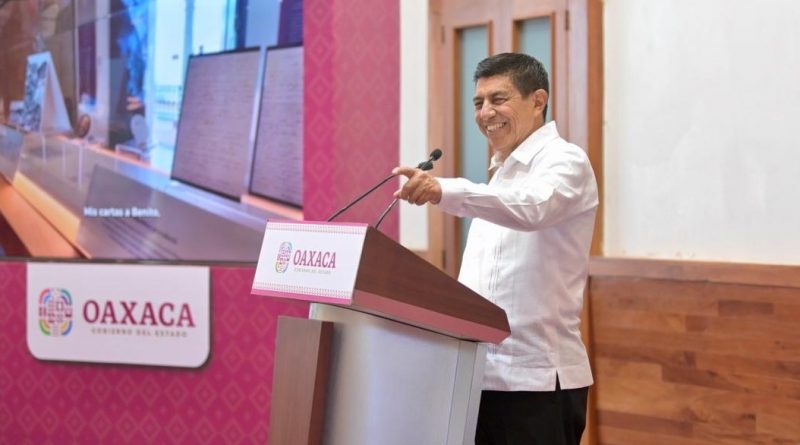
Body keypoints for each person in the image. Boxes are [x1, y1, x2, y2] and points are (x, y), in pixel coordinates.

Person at [393, 52, 598, 445]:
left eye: (498, 99)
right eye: (478, 102)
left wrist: (443, 190)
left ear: (538, 101)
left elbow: (533, 208)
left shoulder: (566, 161)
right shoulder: (500, 176)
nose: (485, 113)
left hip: (538, 383)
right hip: (478, 376)